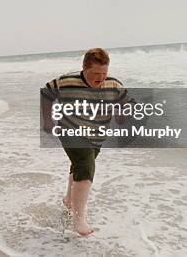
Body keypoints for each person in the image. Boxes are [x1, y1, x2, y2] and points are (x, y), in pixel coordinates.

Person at [41, 48, 132, 236]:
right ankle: (78, 219)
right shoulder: (66, 82)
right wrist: (48, 120)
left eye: (104, 73)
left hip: (97, 135)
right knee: (86, 166)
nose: (100, 78)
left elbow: (128, 104)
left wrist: (124, 115)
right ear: (84, 68)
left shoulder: (113, 84)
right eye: (95, 74)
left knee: (80, 165)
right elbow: (46, 93)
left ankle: (69, 199)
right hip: (70, 130)